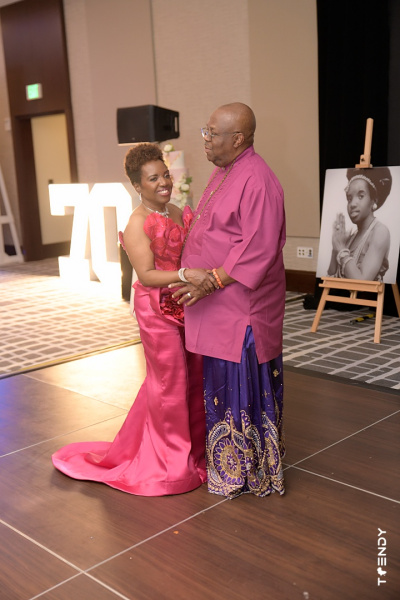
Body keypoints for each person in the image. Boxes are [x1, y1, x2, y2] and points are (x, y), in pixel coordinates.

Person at [52, 143, 213, 496]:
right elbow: (147, 275)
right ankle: (170, 464)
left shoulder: (175, 211)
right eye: (153, 178)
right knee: (169, 383)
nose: (164, 182)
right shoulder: (137, 222)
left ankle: (194, 452)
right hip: (156, 308)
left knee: (192, 376)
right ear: (137, 186)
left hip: (184, 302)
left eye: (165, 175)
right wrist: (186, 274)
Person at [171, 103, 286, 498]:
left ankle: (248, 473)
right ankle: (226, 466)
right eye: (205, 131)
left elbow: (258, 247)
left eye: (212, 133)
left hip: (241, 309)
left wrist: (212, 280)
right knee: (219, 388)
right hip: (220, 305)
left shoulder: (258, 179)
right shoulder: (225, 170)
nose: (205, 139)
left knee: (238, 387)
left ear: (237, 139)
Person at [327, 168, 392, 281]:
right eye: (349, 198)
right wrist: (336, 246)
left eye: (361, 196)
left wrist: (341, 248)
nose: (352, 204)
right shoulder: (351, 237)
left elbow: (362, 281)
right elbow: (331, 276)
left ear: (374, 200)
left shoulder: (380, 232)